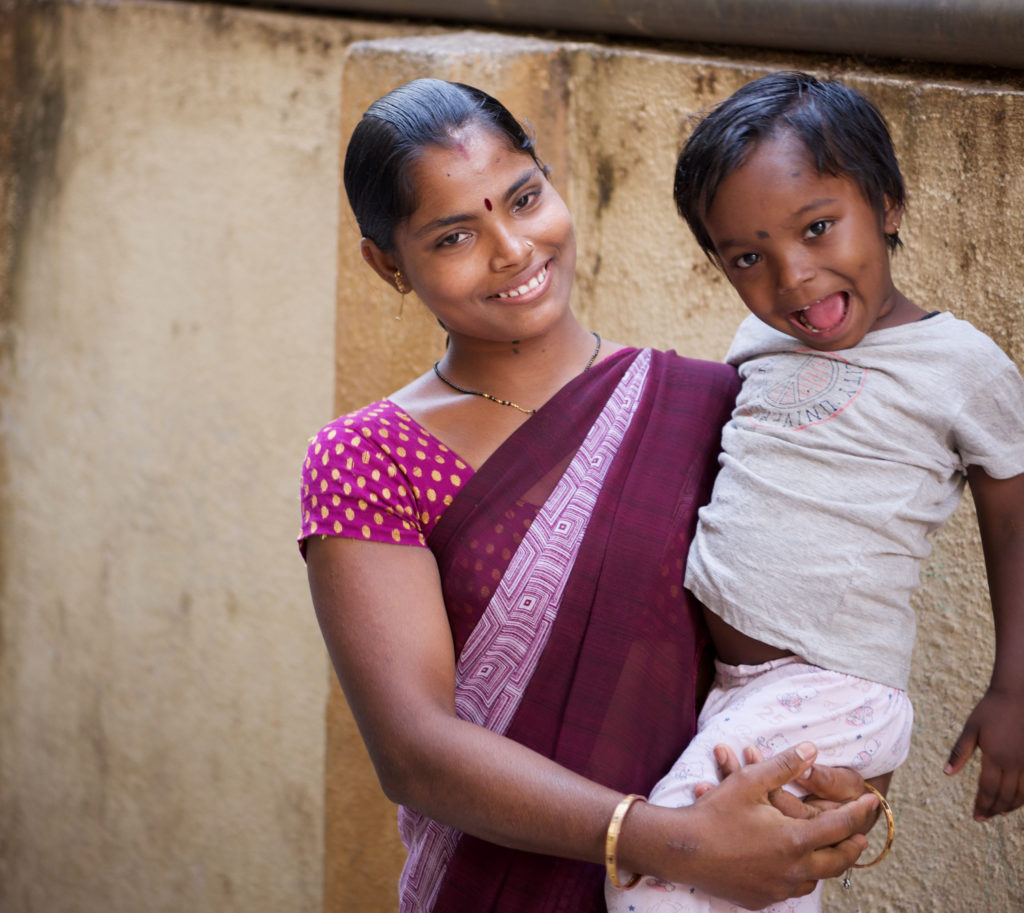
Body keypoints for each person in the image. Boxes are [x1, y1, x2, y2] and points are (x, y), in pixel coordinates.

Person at [299, 77, 882, 913]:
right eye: (455, 234)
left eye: (525, 198)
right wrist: (668, 840)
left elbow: (785, 661)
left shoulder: (713, 405)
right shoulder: (367, 459)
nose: (512, 249)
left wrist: (817, 796)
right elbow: (414, 750)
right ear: (387, 263)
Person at [607, 71, 1024, 913]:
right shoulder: (759, 336)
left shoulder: (960, 365)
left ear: (889, 204)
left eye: (820, 227)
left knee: (655, 884)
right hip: (727, 684)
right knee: (753, 889)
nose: (793, 278)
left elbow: (1014, 522)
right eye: (750, 258)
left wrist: (1015, 686)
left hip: (829, 689)